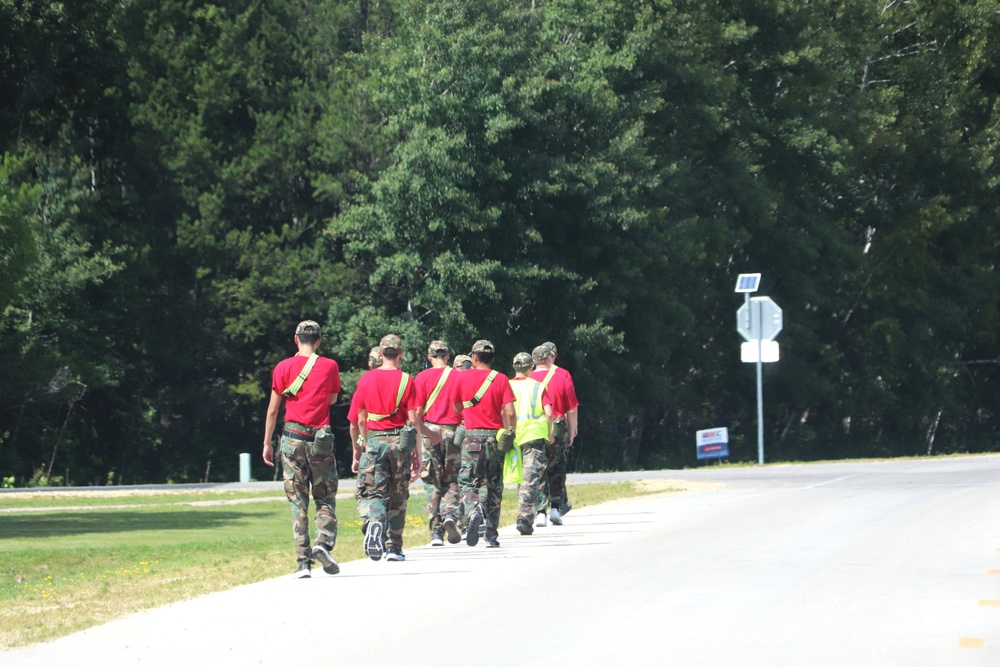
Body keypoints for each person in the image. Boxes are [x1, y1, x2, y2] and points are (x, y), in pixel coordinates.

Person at [262, 320, 342, 578]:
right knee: (325, 496)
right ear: (319, 340)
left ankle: (302, 563)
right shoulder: (330, 365)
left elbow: (273, 409)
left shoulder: (283, 367)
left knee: (298, 501)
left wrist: (267, 442)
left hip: (292, 438)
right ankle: (322, 542)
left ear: (295, 339)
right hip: (319, 441)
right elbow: (332, 399)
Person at [353, 334, 440, 562]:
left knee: (375, 492)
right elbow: (413, 420)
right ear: (400, 354)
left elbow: (361, 419)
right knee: (399, 494)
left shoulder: (366, 380)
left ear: (381, 354)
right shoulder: (406, 380)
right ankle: (394, 547)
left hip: (374, 440)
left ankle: (376, 524)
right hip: (399, 443)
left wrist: (367, 441)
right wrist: (418, 453)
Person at [453, 339, 516, 548]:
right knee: (494, 486)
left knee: (467, 481)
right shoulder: (500, 378)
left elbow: (455, 406)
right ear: (492, 358)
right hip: (494, 438)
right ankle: (491, 535)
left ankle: (473, 509)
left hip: (471, 438)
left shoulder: (462, 378)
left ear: (474, 357)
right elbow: (510, 412)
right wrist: (510, 432)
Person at [415, 340, 463, 545]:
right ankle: (450, 514)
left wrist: (426, 433)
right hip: (452, 432)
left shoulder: (422, 377)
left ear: (429, 356)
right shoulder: (458, 376)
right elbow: (462, 408)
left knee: (431, 482)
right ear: (448, 356)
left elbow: (416, 415)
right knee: (452, 479)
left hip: (430, 431)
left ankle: (436, 532)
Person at [531, 342, 579, 527]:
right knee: (557, 468)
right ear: (550, 358)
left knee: (539, 469)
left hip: (534, 429)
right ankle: (556, 509)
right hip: (558, 428)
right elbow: (572, 408)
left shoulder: (526, 380)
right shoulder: (561, 378)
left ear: (534, 360)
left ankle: (540, 511)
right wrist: (572, 431)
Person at [508, 352, 554, 535]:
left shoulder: (506, 385)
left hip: (512, 438)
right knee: (530, 479)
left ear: (514, 367)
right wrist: (549, 434)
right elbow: (549, 413)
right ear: (531, 367)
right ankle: (524, 518)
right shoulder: (538, 387)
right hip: (533, 436)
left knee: (519, 478)